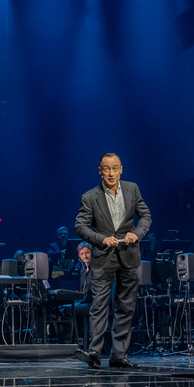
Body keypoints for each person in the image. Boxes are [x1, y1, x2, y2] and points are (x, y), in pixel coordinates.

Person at [74, 153, 152, 369]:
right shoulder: (90, 196)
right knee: (99, 305)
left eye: (115, 168)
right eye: (106, 169)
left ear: (121, 169)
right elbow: (79, 226)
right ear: (100, 171)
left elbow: (146, 216)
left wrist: (137, 233)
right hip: (103, 257)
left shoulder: (132, 189)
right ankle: (94, 353)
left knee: (125, 306)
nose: (111, 173)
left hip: (128, 254)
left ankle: (119, 356)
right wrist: (101, 239)